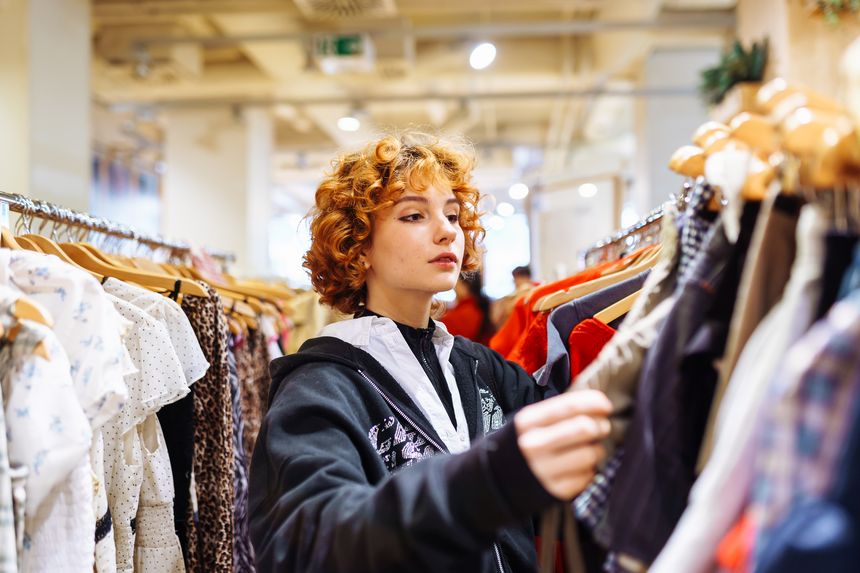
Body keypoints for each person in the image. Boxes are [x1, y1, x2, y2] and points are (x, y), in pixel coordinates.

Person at [249, 131, 612, 573]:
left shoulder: (480, 368)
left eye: (454, 215)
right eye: (414, 215)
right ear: (358, 245)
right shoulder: (321, 388)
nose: (447, 232)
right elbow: (308, 543)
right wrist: (484, 483)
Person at [440, 272, 495, 344]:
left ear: (464, 285)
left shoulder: (461, 315)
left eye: (456, 285)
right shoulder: (479, 306)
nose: (454, 289)